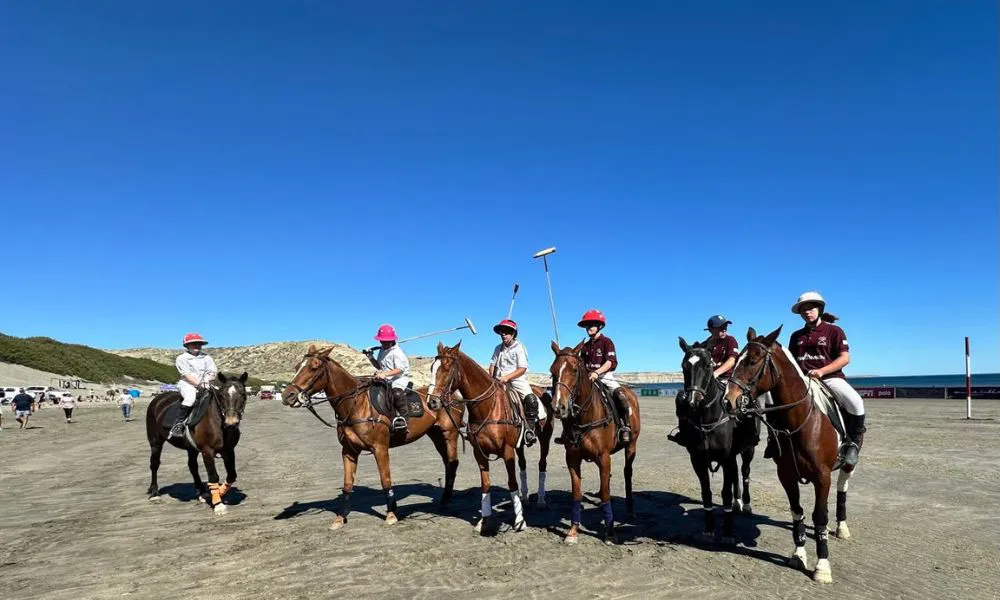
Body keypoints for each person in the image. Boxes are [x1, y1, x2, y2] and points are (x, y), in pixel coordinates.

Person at [780, 291, 866, 466]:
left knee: (856, 402)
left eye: (810, 308)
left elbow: (844, 358)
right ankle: (775, 443)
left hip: (830, 378)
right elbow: (791, 363)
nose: (807, 312)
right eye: (803, 310)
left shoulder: (834, 331)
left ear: (819, 309)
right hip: (803, 381)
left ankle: (852, 444)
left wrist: (821, 371)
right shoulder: (796, 336)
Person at [669, 314, 740, 447]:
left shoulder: (730, 341)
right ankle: (684, 432)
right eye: (720, 327)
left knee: (735, 400)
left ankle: (742, 432)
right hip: (707, 382)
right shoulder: (705, 344)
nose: (724, 329)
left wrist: (716, 373)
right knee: (683, 398)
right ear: (711, 329)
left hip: (726, 379)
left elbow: (732, 360)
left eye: (725, 326)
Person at [577, 309, 632, 444]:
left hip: (605, 375)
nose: (589, 328)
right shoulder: (585, 346)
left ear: (599, 326)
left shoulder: (607, 342)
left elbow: (610, 362)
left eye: (592, 324)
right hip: (588, 378)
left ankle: (625, 426)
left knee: (620, 395)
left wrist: (597, 373)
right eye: (587, 325)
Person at [489, 319, 540, 446]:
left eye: (506, 332)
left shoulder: (519, 347)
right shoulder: (498, 348)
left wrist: (508, 377)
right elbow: (492, 364)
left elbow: (522, 369)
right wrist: (491, 377)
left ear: (513, 334)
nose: (503, 335)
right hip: (499, 380)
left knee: (531, 399)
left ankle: (529, 430)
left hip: (516, 379)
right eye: (502, 332)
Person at [362, 324, 411, 432]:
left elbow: (400, 369)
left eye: (385, 341)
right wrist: (370, 357)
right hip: (387, 377)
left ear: (392, 340)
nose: (383, 343)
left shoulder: (397, 352)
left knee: (396, 393)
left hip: (399, 378)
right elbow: (379, 366)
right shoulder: (382, 351)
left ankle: (404, 420)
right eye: (381, 341)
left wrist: (385, 374)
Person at [170, 333, 218, 439]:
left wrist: (206, 381)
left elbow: (212, 371)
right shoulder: (182, 358)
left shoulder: (207, 357)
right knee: (190, 399)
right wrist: (200, 385)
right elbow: (186, 375)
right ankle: (178, 425)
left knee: (220, 395)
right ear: (187, 346)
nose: (196, 345)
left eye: (199, 344)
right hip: (187, 384)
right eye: (193, 344)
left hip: (206, 383)